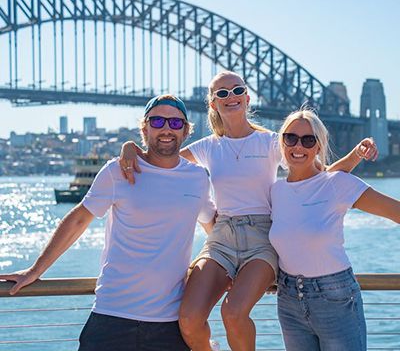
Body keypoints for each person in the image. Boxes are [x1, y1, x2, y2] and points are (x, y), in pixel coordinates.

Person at [119, 71, 378, 351]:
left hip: (262, 238)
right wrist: (130, 148)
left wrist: (355, 156)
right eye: (222, 93)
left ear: (247, 97)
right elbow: (160, 160)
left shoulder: (272, 142)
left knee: (233, 313)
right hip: (222, 237)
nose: (230, 96)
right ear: (212, 104)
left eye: (237, 90)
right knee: (189, 318)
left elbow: (321, 178)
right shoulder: (208, 146)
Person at [0, 94, 216, 351]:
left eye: (175, 123)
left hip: (169, 324)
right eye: (157, 121)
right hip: (111, 317)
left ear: (186, 130)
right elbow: (79, 219)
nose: (166, 128)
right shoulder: (117, 171)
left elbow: (214, 228)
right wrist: (35, 270)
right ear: (144, 128)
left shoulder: (197, 178)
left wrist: (238, 270)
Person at [269, 109, 400, 351]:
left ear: (318, 147)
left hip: (335, 298)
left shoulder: (338, 183)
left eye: (308, 140)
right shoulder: (275, 191)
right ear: (282, 142)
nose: (298, 146)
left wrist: (356, 154)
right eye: (291, 138)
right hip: (288, 299)